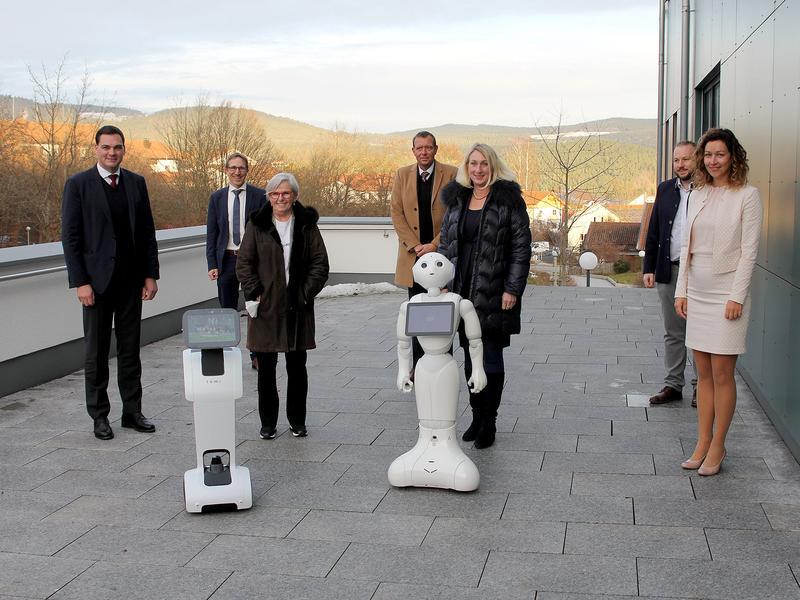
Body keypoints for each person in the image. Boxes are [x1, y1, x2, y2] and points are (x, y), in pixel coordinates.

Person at [61, 125, 159, 440]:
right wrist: (80, 282)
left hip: (131, 283)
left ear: (124, 149)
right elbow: (71, 238)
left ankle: (132, 412)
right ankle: (99, 416)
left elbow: (146, 233)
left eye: (117, 147)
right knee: (97, 353)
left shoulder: (136, 183)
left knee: (130, 351)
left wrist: (150, 274)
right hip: (96, 285)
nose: (111, 152)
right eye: (106, 147)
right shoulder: (78, 185)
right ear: (96, 149)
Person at [675, 128, 763, 476]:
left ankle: (718, 445)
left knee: (723, 374)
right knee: (703, 374)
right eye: (708, 155)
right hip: (696, 292)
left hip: (727, 294)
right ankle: (701, 441)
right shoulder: (697, 194)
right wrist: (681, 290)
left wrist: (736, 296)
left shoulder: (748, 195)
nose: (713, 161)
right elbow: (686, 248)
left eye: (720, 155)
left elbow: (749, 252)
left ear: (733, 157)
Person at [439, 143, 531, 449]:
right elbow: (445, 243)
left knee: (490, 357)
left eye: (484, 164)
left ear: (493, 166)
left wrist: (512, 289)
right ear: (466, 167)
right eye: (473, 163)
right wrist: (441, 279)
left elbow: (520, 248)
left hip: (494, 290)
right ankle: (476, 417)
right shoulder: (457, 199)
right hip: (460, 290)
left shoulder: (508, 201)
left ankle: (489, 421)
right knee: (468, 357)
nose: (478, 169)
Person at [236, 172, 329, 440]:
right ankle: (268, 423)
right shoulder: (258, 224)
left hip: (297, 307)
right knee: (266, 369)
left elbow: (320, 264)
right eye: (275, 193)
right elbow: (244, 262)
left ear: (295, 196)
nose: (280, 198)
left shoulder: (307, 225)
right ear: (268, 196)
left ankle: (297, 421)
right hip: (266, 307)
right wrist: (256, 291)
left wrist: (304, 293)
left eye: (286, 193)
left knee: (297, 368)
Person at [390, 131, 457, 368]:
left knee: (443, 311)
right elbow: (397, 213)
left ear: (436, 149)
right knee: (417, 313)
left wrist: (434, 245)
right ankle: (419, 366)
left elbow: (454, 214)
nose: (424, 152)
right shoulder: (402, 175)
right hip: (413, 257)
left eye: (428, 147)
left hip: (441, 256)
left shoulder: (451, 174)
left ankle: (443, 362)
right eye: (419, 148)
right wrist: (416, 245)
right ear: (413, 151)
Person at [643, 141, 699, 406]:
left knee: (699, 332)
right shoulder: (665, 189)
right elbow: (654, 231)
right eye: (677, 160)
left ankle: (702, 387)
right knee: (673, 332)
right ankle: (673, 385)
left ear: (697, 159)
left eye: (686, 159)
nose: (681, 165)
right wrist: (649, 267)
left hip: (700, 273)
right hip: (670, 270)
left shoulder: (709, 190)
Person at [205, 152, 266, 369]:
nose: (237, 172)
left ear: (247, 170)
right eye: (233, 168)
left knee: (254, 309)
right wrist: (212, 264)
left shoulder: (259, 196)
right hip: (227, 260)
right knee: (227, 311)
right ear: (226, 170)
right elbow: (212, 233)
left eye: (241, 168)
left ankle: (257, 355)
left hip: (252, 261)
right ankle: (227, 356)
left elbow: (266, 230)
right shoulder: (217, 198)